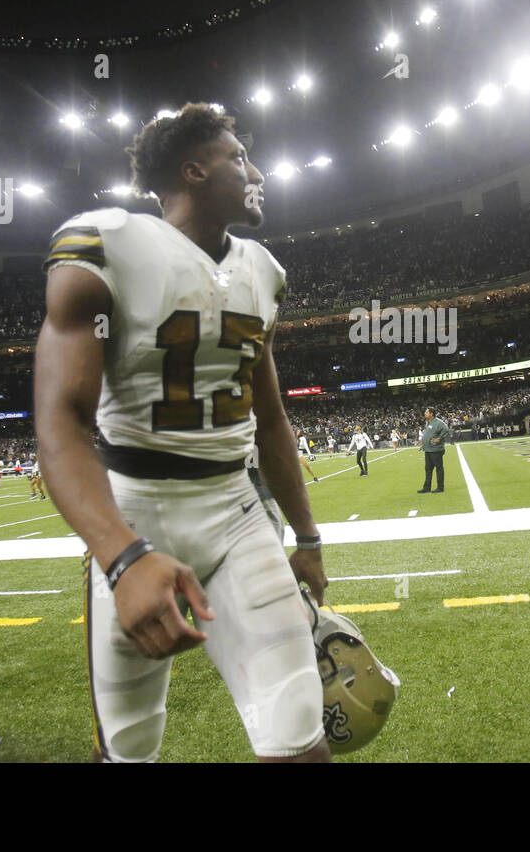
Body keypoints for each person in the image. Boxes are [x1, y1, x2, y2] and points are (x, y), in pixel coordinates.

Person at [34, 101, 330, 763]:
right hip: (133, 509)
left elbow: (272, 417)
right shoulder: (107, 242)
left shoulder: (264, 271)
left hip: (235, 512)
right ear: (193, 171)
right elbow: (61, 418)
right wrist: (122, 555)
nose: (256, 172)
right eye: (238, 158)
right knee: (129, 747)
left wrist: (306, 535)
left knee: (298, 730)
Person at [418, 408, 454, 493]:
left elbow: (446, 430)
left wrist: (439, 438)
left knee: (439, 468)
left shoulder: (439, 422)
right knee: (428, 469)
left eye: (426, 412)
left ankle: (440, 487)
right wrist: (423, 444)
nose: (424, 413)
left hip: (436, 450)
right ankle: (427, 488)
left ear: (431, 414)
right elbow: (428, 434)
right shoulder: (428, 422)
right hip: (428, 449)